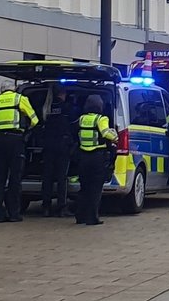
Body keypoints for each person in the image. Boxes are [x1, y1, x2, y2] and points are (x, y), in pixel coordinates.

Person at [0, 83, 38, 223]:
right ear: (13, 89)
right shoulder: (20, 99)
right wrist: (27, 132)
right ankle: (14, 213)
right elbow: (35, 120)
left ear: (1, 90)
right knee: (15, 178)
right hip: (15, 141)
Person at [75, 94, 118, 226]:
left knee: (84, 188)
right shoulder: (101, 119)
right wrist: (115, 137)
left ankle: (80, 217)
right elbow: (105, 133)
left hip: (83, 156)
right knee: (95, 189)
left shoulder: (82, 118)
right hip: (97, 156)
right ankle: (92, 218)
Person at [39, 94, 78, 218]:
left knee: (47, 177)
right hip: (62, 146)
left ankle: (46, 207)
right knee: (62, 178)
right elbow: (75, 124)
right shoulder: (67, 107)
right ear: (63, 94)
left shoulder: (47, 107)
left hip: (48, 146)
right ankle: (62, 207)